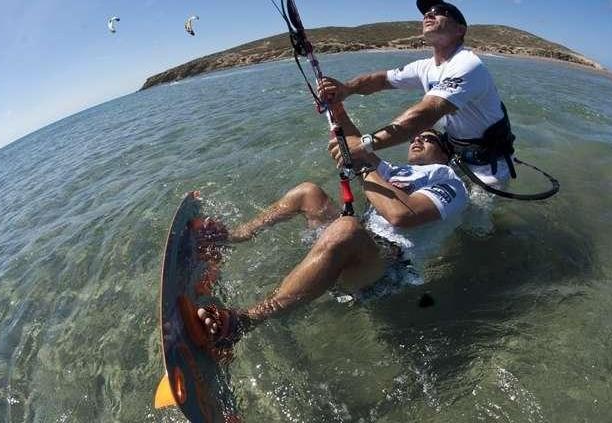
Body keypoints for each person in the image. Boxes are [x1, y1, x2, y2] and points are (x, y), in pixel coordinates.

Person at [193, 101, 468, 349]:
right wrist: (336, 105)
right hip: (361, 240)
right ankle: (233, 237)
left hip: (388, 268)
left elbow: (401, 216)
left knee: (346, 228)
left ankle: (245, 321)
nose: (417, 137)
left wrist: (361, 167)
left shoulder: (449, 182)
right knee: (308, 192)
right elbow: (355, 144)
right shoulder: (395, 171)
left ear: (444, 154)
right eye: (415, 135)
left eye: (428, 137)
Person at [318, 0, 517, 186]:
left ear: (460, 30)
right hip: (456, 156)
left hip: (490, 167)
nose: (429, 15)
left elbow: (425, 114)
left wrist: (364, 145)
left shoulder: (467, 65)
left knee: (479, 222)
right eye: (427, 13)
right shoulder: (426, 67)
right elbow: (381, 80)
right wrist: (347, 89)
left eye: (440, 12)